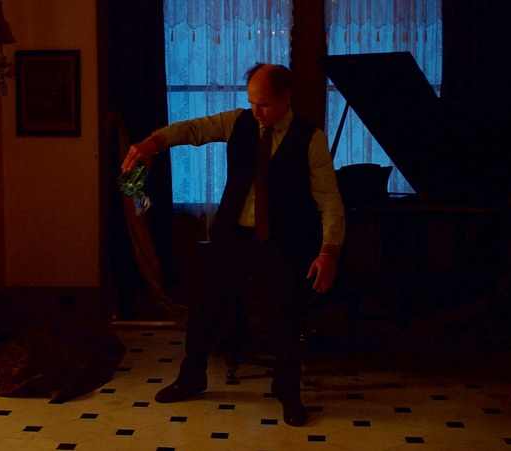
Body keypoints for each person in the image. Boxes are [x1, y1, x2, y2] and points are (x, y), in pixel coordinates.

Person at [121, 63, 345, 427]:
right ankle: (192, 377)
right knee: (203, 306)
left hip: (282, 240)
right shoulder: (238, 122)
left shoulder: (310, 138)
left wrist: (329, 250)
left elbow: (329, 200)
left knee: (285, 316)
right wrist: (152, 143)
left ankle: (288, 392)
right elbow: (192, 129)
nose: (256, 111)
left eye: (264, 104)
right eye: (252, 102)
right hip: (233, 235)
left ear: (286, 98)